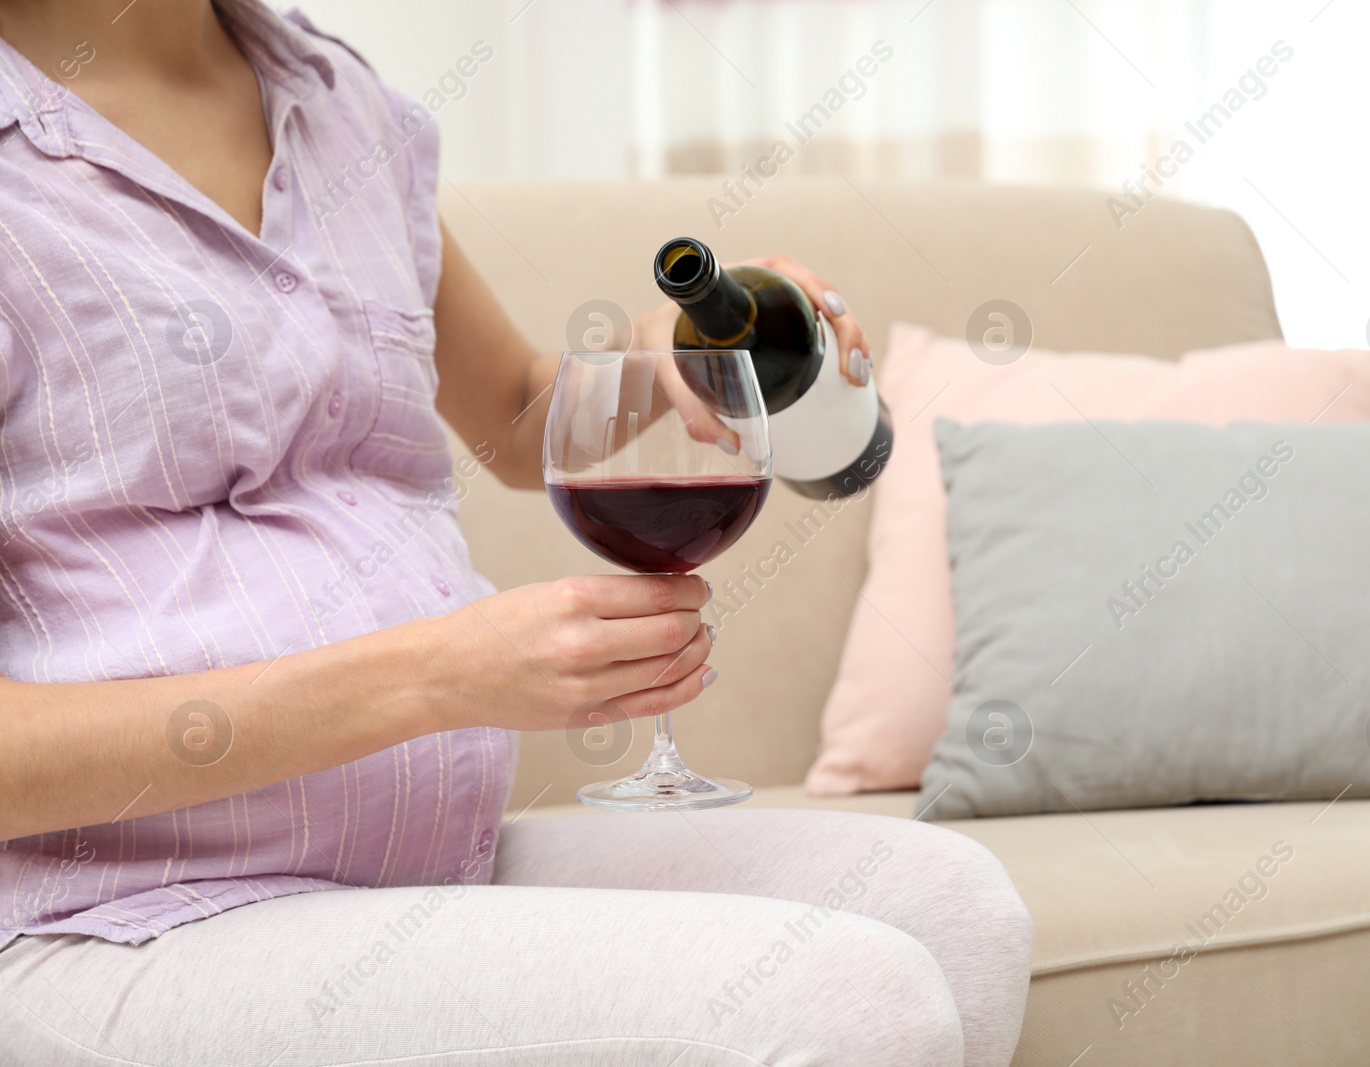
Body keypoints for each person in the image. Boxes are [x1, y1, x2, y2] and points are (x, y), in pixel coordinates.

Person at [0, 1, 1032, 1063]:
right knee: (848, 1000)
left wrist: (664, 360)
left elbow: (518, 413)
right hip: (112, 922)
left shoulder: (339, 102)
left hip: (419, 869)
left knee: (954, 912)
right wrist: (433, 677)